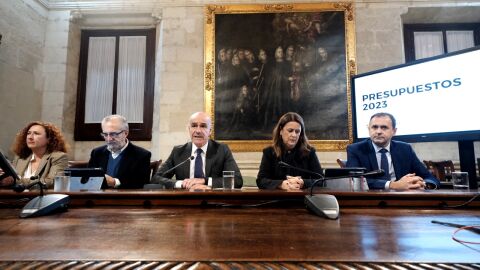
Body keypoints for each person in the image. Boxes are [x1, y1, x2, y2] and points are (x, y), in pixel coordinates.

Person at [346, 112, 440, 190]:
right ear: (369, 129)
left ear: (394, 131)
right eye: (374, 127)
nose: (378, 131)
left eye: (384, 127)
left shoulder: (405, 149)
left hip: (402, 199)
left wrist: (424, 185)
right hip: (370, 199)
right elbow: (354, 180)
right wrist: (394, 185)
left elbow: (428, 177)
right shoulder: (356, 149)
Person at [152, 112, 243, 190]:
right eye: (194, 126)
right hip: (185, 202)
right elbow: (156, 178)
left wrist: (205, 181)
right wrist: (182, 184)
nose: (198, 130)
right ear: (189, 129)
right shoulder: (178, 152)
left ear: (210, 131)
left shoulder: (222, 150)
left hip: (213, 202)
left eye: (203, 126)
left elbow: (237, 180)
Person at [257, 112, 322, 190]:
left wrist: (302, 182)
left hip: (303, 199)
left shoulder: (309, 152)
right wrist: (281, 184)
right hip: (277, 199)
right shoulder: (269, 152)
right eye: (290, 130)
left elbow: (321, 180)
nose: (294, 135)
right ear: (281, 131)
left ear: (301, 134)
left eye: (297, 131)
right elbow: (261, 181)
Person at [88, 115, 151, 189]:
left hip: (126, 199)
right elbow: (88, 179)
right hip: (98, 198)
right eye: (105, 134)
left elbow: (141, 184)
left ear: (126, 133)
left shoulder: (142, 155)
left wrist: (115, 182)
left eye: (113, 134)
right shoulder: (97, 153)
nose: (109, 139)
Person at [0, 121, 68, 189]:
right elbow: (11, 178)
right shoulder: (20, 157)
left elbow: (53, 182)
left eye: (36, 133)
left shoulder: (58, 157)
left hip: (42, 198)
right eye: (28, 133)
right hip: (16, 198)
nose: (30, 137)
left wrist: (15, 181)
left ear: (49, 139)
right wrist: (3, 176)